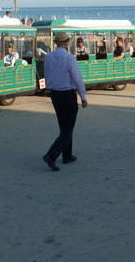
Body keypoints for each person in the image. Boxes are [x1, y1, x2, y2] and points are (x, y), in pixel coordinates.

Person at [42, 32, 88, 172]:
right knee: (68, 128)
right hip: (67, 94)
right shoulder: (69, 58)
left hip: (55, 94)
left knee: (64, 125)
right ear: (67, 43)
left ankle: (67, 155)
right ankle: (51, 155)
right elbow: (77, 78)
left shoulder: (48, 57)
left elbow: (46, 74)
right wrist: (83, 95)